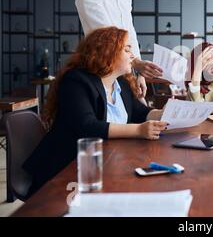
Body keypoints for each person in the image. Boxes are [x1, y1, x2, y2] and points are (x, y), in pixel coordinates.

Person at [23, 27, 168, 197]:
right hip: (67, 168)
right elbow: (87, 126)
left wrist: (163, 113)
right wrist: (139, 130)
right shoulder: (76, 80)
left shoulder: (121, 83)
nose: (133, 56)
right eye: (127, 49)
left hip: (106, 162)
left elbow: (140, 112)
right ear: (108, 52)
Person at [75, 0, 162, 98]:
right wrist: (135, 63)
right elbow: (107, 34)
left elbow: (130, 32)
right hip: (101, 69)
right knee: (110, 118)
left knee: (138, 114)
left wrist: (139, 72)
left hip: (125, 67)